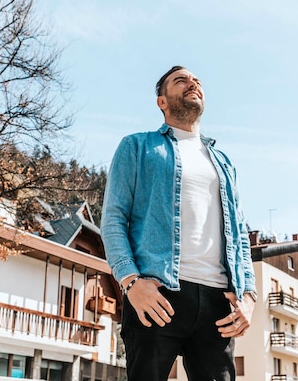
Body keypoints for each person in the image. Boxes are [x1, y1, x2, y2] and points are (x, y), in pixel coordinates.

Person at [101, 65, 256, 381]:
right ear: (162, 101)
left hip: (218, 301)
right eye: (181, 80)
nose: (193, 83)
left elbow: (240, 234)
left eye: (196, 80)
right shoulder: (137, 146)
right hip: (157, 293)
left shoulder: (224, 163)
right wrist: (130, 282)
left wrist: (249, 295)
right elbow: (114, 218)